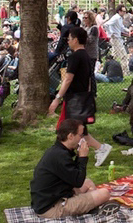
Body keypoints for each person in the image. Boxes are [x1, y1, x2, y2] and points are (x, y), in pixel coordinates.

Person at [48, 27, 111, 167]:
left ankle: (99, 149)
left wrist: (57, 97)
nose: (68, 41)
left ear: (75, 40)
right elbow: (89, 80)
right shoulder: (87, 56)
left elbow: (68, 79)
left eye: (69, 39)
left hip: (75, 99)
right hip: (82, 97)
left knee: (73, 130)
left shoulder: (75, 57)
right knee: (78, 130)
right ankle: (93, 150)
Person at [30, 119, 113, 218]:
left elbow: (74, 177)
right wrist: (82, 158)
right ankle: (91, 209)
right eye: (81, 135)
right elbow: (78, 181)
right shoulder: (60, 156)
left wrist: (79, 156)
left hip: (52, 198)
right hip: (52, 208)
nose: (83, 139)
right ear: (70, 136)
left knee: (88, 183)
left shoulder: (58, 151)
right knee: (104, 193)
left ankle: (90, 208)